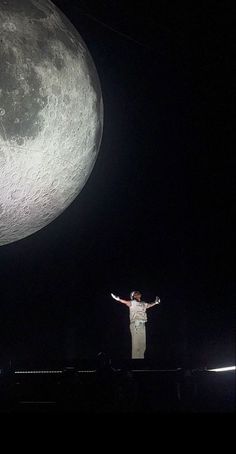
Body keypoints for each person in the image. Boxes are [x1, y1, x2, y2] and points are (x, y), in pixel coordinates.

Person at [111, 290, 161, 359]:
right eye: (135, 293)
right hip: (135, 324)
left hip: (143, 325)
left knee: (142, 346)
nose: (137, 293)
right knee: (136, 346)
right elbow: (125, 302)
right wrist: (118, 299)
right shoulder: (132, 302)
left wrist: (155, 302)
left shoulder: (143, 303)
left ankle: (140, 362)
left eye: (138, 293)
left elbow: (149, 305)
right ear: (133, 296)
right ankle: (135, 363)